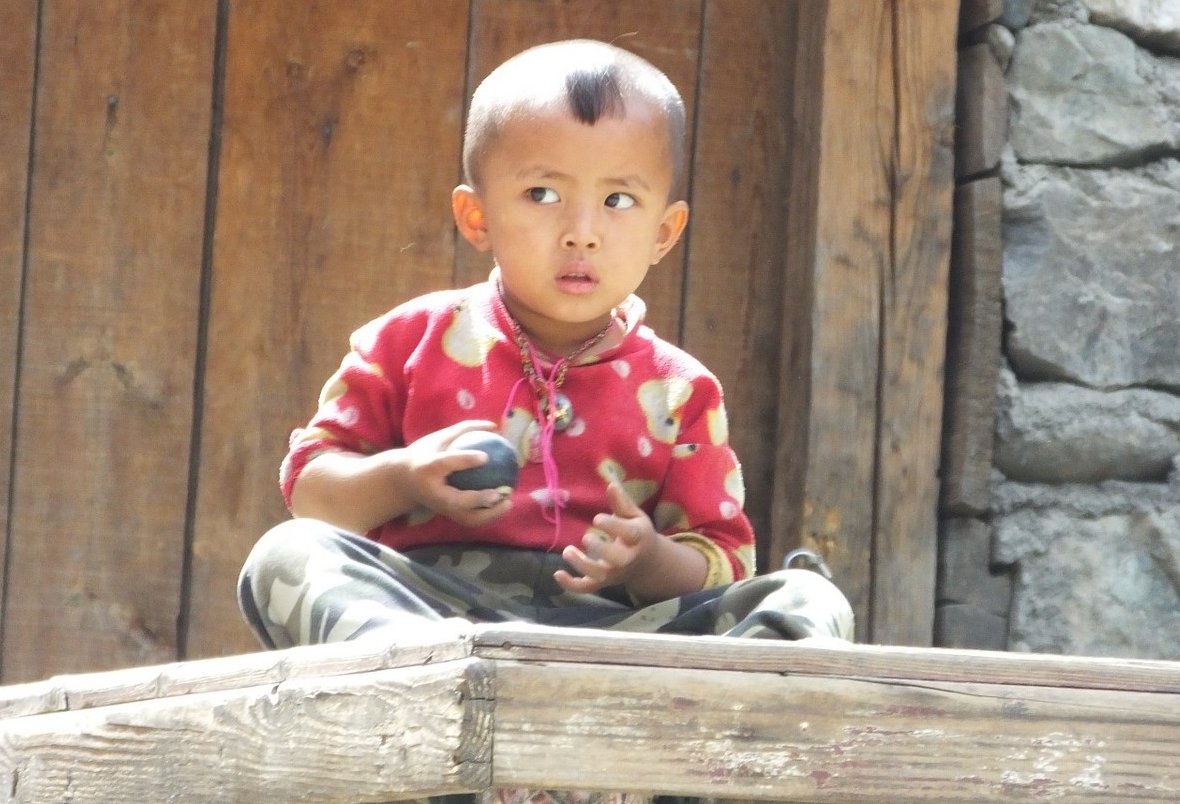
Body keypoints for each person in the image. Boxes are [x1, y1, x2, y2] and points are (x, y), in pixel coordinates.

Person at [237, 39, 852, 802]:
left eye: (618, 201)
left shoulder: (680, 389)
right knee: (286, 554)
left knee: (806, 600)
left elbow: (723, 560)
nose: (582, 231)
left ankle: (664, 768)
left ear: (664, 231)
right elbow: (311, 491)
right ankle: (427, 720)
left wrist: (648, 559)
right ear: (475, 215)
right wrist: (404, 474)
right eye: (542, 195)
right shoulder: (411, 341)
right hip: (439, 631)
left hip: (618, 659)